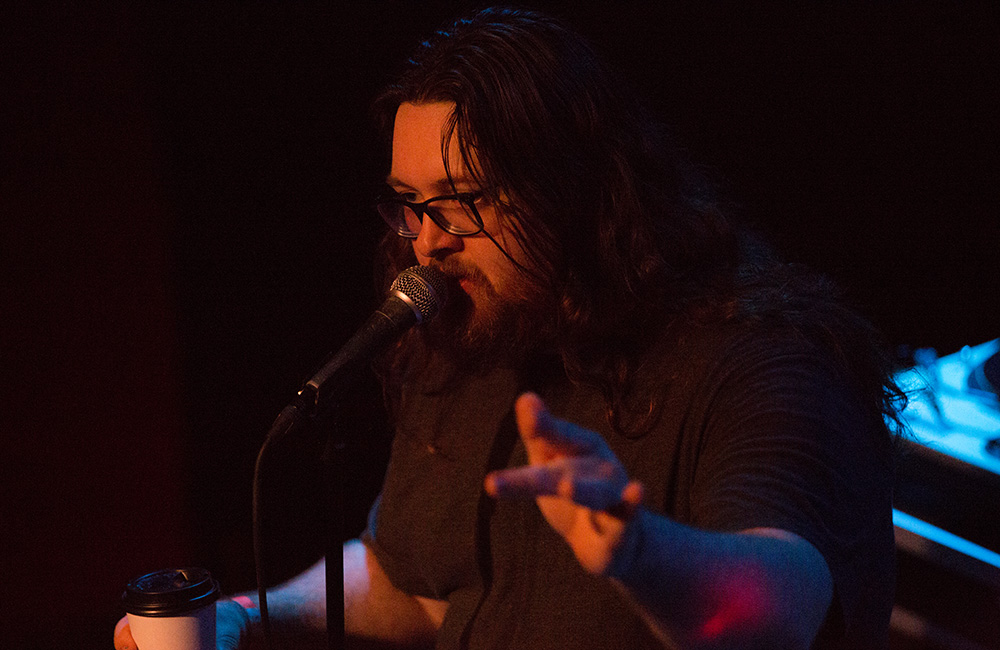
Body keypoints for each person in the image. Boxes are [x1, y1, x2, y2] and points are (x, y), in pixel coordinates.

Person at [115, 7, 903, 649]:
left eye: (461, 201)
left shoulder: (766, 362)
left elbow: (776, 614)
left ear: (574, 192)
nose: (427, 240)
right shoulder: (471, 334)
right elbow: (410, 586)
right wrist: (247, 617)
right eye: (411, 204)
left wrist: (641, 554)